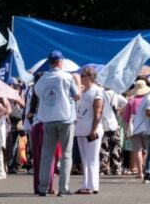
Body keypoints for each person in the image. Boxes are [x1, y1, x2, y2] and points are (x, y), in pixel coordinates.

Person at [32, 51, 78, 196]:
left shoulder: (42, 78)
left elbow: (38, 93)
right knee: (66, 154)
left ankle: (43, 187)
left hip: (48, 118)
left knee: (47, 154)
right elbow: (77, 95)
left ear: (50, 62)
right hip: (65, 117)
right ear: (60, 61)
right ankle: (63, 188)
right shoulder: (67, 77)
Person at [75, 68, 105, 194]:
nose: (81, 77)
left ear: (90, 77)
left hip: (92, 129)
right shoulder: (81, 91)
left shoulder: (97, 91)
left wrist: (94, 130)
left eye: (83, 75)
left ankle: (93, 186)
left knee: (92, 158)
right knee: (84, 159)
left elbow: (98, 112)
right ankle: (86, 184)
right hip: (80, 129)